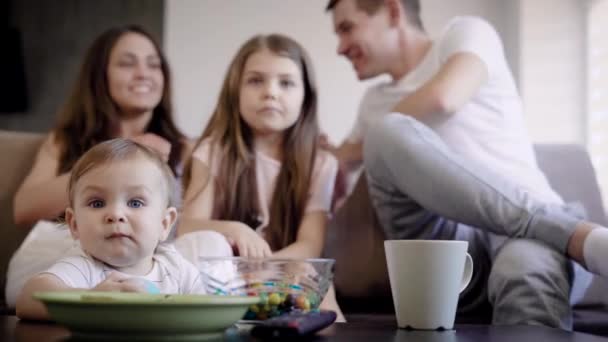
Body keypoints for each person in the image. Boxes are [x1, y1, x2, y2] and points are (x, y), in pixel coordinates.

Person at [325, 0, 608, 330]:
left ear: (392, 11)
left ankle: (556, 234)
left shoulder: (465, 34)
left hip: (525, 240)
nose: (340, 48)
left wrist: (359, 146)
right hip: (444, 247)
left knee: (525, 276)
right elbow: (338, 162)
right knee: (385, 134)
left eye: (347, 28)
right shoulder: (372, 103)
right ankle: (573, 233)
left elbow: (446, 97)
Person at [6, 25, 208, 307]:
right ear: (100, 75)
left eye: (154, 65)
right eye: (127, 63)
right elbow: (23, 208)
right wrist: (114, 159)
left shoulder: (185, 148)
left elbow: (191, 223)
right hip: (77, 248)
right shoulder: (66, 139)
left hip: (152, 251)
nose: (143, 73)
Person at [175, 34, 345, 321]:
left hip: (287, 270)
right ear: (235, 91)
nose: (271, 92)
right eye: (256, 81)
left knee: (324, 300)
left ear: (306, 97)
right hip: (225, 277)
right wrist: (235, 229)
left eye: (286, 83)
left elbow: (309, 244)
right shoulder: (213, 152)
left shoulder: (321, 163)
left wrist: (266, 269)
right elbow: (188, 227)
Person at [16, 139, 208, 321]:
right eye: (97, 203)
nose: (115, 214)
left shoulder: (179, 270)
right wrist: (91, 300)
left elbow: (205, 316)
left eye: (135, 202)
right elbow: (28, 299)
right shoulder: (84, 267)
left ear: (165, 224)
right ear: (74, 225)